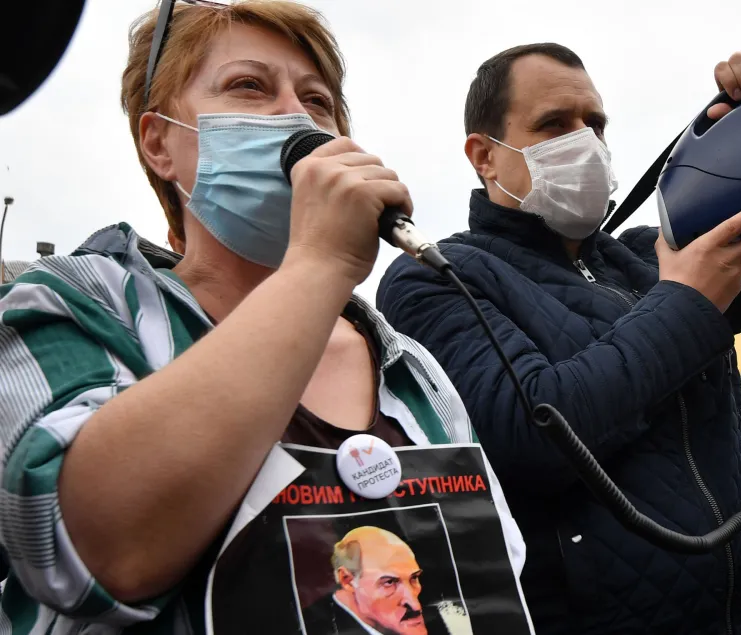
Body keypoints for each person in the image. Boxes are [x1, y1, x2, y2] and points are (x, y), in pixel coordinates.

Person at [0, 2, 524, 632]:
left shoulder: (409, 364)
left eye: (318, 102)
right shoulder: (78, 301)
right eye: (249, 86)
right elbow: (98, 550)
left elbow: (489, 582)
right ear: (158, 143)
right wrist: (318, 263)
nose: (296, 117)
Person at [376, 39, 741, 634]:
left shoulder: (648, 254)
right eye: (554, 124)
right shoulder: (437, 275)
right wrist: (686, 302)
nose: (584, 140)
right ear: (483, 155)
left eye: (595, 124)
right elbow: (530, 435)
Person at [303, 526, 448, 635]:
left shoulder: (444, 621)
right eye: (389, 582)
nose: (415, 605)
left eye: (414, 578)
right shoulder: (310, 626)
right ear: (347, 580)